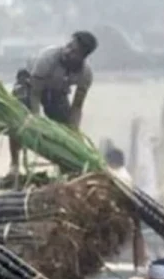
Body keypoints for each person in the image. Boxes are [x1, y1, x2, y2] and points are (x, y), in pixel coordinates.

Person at [9, 31, 99, 175]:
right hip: (30, 83)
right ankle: (14, 165)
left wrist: (73, 132)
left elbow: (77, 107)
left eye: (74, 51)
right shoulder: (48, 58)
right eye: (68, 46)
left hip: (56, 89)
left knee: (65, 125)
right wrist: (35, 118)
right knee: (17, 116)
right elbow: (35, 94)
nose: (67, 51)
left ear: (83, 57)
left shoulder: (85, 74)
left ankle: (66, 168)